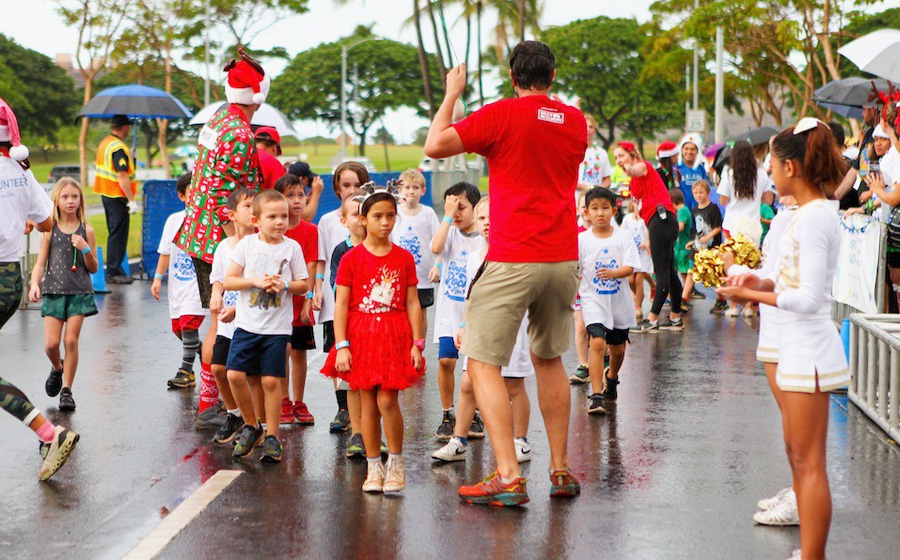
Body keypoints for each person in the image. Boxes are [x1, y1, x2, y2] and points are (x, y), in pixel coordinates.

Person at [425, 41, 586, 506]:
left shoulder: (501, 114)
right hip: (561, 257)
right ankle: (559, 469)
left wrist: (453, 92)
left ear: (512, 76)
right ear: (552, 76)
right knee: (550, 360)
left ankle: (509, 476)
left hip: (514, 255)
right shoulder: (574, 121)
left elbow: (436, 144)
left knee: (481, 363)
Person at [718, 118, 848, 560]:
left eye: (771, 165)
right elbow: (786, 279)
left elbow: (811, 299)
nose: (767, 173)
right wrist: (757, 279)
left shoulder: (814, 219)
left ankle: (813, 555)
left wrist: (748, 293)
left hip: (809, 349)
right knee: (796, 455)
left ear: (792, 167)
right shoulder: (802, 215)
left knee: (809, 465)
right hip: (794, 348)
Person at [176, 48, 269, 426]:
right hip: (222, 236)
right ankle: (213, 405)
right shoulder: (243, 133)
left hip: (197, 232)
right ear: (257, 97)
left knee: (215, 317)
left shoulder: (215, 119)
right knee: (222, 321)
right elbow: (240, 193)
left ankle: (215, 403)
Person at [322, 186, 424, 494]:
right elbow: (340, 304)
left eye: (391, 216)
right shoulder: (352, 259)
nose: (385, 222)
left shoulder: (404, 258)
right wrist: (341, 345)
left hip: (394, 335)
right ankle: (373, 465)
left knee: (387, 400)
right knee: (366, 404)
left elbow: (412, 302)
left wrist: (416, 343)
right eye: (377, 216)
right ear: (363, 219)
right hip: (361, 335)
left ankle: (395, 461)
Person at [0, 97, 79, 480]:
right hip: (10, 278)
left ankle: (50, 433)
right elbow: (46, 222)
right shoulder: (19, 169)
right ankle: (49, 434)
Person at [432, 196, 533, 463]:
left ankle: (520, 440)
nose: (488, 224)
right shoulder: (474, 257)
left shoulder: (515, 253)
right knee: (468, 385)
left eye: (494, 218)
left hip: (511, 327)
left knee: (513, 385)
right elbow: (471, 295)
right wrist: (464, 325)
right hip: (479, 327)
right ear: (476, 223)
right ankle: (458, 440)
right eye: (483, 219)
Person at [722, 194, 801, 527]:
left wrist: (748, 290)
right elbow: (773, 272)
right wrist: (742, 273)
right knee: (789, 423)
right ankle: (798, 488)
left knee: (797, 427)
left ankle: (802, 498)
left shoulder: (807, 217)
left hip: (792, 330)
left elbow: (802, 291)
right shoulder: (788, 215)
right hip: (776, 325)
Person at [224, 190, 309, 462]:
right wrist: (255, 281)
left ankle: (273, 436)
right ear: (256, 219)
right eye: (272, 216)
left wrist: (283, 284)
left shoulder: (292, 248)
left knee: (271, 380)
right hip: (247, 325)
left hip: (276, 329)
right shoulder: (247, 246)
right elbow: (229, 281)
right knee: (234, 375)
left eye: (283, 216)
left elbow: (303, 285)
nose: (280, 222)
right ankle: (251, 425)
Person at [28, 177, 99, 411]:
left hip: (79, 293)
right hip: (54, 291)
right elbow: (40, 263)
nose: (70, 201)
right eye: (65, 197)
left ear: (80, 201)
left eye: (75, 196)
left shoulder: (86, 230)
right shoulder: (49, 230)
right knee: (50, 345)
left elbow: (94, 267)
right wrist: (34, 284)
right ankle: (57, 368)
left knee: (70, 340)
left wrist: (86, 248)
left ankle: (67, 391)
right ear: (56, 200)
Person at [314, 161, 369, 433]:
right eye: (346, 185)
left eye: (357, 185)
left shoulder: (372, 220)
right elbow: (322, 259)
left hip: (365, 307)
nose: (351, 190)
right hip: (335, 301)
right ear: (337, 188)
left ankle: (363, 418)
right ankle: (343, 409)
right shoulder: (327, 221)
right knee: (336, 354)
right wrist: (317, 288)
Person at [578, 187, 639, 415]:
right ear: (586, 212)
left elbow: (630, 266)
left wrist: (614, 274)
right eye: (595, 208)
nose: (600, 213)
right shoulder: (582, 239)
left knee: (618, 350)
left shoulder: (623, 237)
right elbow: (574, 269)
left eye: (605, 208)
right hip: (593, 300)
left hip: (618, 302)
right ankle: (596, 396)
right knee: (597, 343)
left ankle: (611, 378)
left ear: (614, 210)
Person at [430, 182, 483, 441]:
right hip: (449, 313)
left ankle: (472, 413)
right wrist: (447, 217)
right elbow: (436, 248)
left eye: (462, 207)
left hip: (473, 314)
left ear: (475, 207)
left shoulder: (483, 237)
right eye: (452, 207)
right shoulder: (450, 231)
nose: (457, 213)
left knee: (471, 370)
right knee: (446, 361)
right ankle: (447, 413)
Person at [617, 141, 684, 333]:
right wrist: (648, 237)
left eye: (622, 155)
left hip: (662, 220)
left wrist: (630, 168)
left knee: (661, 272)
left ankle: (652, 319)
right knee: (669, 272)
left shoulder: (642, 167)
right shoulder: (634, 180)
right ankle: (675, 317)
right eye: (617, 158)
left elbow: (636, 169)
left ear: (632, 154)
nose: (619, 161)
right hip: (658, 223)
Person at [209, 188, 258, 445]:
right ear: (232, 214)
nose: (253, 211)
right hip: (226, 322)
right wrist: (216, 294)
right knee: (218, 368)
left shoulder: (262, 246)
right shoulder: (224, 247)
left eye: (255, 206)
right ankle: (234, 413)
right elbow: (218, 279)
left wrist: (238, 310)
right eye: (247, 206)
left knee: (245, 376)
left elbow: (261, 289)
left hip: (250, 320)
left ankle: (255, 423)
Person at [151, 174, 206, 389]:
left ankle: (186, 372)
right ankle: (208, 355)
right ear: (182, 196)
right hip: (177, 284)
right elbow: (165, 252)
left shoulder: (207, 221)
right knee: (179, 329)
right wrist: (157, 278)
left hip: (197, 283)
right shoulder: (174, 220)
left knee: (189, 323)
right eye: (193, 192)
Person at [327, 193, 371, 457]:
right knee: (353, 382)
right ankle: (357, 432)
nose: (361, 219)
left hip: (378, 323)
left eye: (365, 212)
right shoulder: (342, 251)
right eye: (355, 213)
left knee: (375, 383)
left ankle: (374, 432)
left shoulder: (385, 247)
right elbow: (338, 289)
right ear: (344, 220)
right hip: (353, 323)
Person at [275, 174, 319, 425]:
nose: (296, 201)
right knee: (282, 350)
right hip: (278, 303)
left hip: (300, 300)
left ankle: (299, 401)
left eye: (301, 195)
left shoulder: (311, 231)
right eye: (289, 195)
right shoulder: (271, 230)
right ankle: (283, 399)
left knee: (299, 352)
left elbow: (311, 266)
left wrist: (307, 299)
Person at [391, 169, 440, 343]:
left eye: (416, 187)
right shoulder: (394, 213)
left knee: (421, 312)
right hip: (399, 274)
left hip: (422, 274)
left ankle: (419, 345)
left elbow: (437, 242)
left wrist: (437, 265)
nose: (411, 191)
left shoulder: (428, 214)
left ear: (423, 191)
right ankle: (403, 348)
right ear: (399, 190)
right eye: (407, 187)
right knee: (400, 313)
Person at [93, 114, 137, 284]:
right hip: (117, 195)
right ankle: (115, 271)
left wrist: (130, 157)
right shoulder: (118, 148)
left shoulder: (106, 143)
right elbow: (122, 174)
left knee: (114, 232)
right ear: (124, 127)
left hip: (107, 193)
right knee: (118, 234)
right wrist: (131, 200)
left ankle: (114, 269)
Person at [687, 180, 725, 314]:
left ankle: (721, 299)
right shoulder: (694, 210)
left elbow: (718, 227)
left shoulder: (713, 208)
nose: (698, 195)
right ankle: (684, 298)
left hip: (712, 246)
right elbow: (695, 230)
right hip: (698, 246)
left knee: (714, 274)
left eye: (701, 192)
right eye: (695, 193)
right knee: (691, 269)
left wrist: (708, 238)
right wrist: (692, 242)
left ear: (708, 193)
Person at [620, 198, 655, 322]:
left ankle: (637, 306)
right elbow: (622, 233)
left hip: (643, 254)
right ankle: (638, 296)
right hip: (631, 253)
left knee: (639, 279)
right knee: (630, 280)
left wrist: (648, 242)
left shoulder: (647, 218)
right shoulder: (627, 218)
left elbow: (651, 233)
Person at [670, 188, 695, 311]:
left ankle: (685, 298)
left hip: (683, 247)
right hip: (680, 247)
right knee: (683, 273)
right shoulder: (682, 210)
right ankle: (685, 298)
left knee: (685, 273)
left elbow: (680, 227)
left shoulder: (682, 211)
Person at [577, 114, 612, 197]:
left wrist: (598, 190)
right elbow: (568, 180)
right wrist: (588, 188)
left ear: (595, 130)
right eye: (585, 126)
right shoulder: (574, 151)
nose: (588, 130)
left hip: (597, 199)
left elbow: (607, 180)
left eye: (591, 127)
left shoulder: (602, 153)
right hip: (578, 198)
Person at [676, 133, 710, 209]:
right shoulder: (676, 168)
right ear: (682, 150)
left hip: (699, 209)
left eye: (692, 149)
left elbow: (706, 189)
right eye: (686, 149)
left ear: (697, 151)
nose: (689, 152)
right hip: (682, 210)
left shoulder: (701, 169)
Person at [256, 126, 286, 191]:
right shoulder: (274, 163)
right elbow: (280, 193)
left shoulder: (241, 154)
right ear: (274, 148)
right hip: (263, 200)